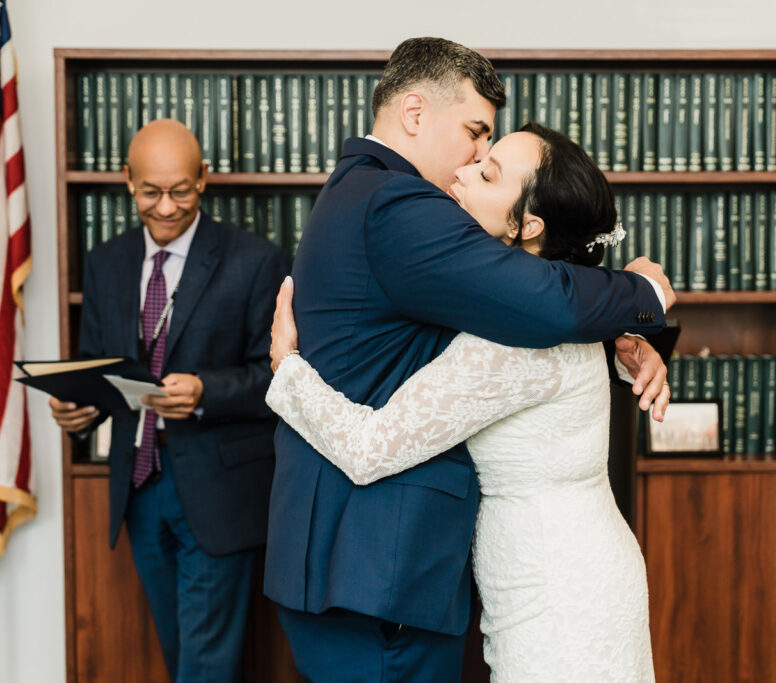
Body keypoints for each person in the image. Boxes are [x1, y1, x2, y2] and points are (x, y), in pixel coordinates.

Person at [266, 37, 673, 682]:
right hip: (386, 570)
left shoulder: (364, 194)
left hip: (540, 581)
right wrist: (643, 294)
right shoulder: (402, 206)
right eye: (476, 135)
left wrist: (632, 338)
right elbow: (548, 304)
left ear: (527, 224)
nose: (475, 157)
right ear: (415, 113)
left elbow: (541, 311)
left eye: (489, 165)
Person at [48, 119, 288, 682]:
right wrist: (80, 409)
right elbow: (101, 370)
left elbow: (281, 378)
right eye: (151, 191)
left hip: (218, 490)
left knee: (205, 667)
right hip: (139, 488)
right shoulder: (106, 262)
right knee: (182, 656)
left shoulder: (254, 260)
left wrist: (206, 391)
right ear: (127, 180)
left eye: (181, 190)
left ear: (203, 179)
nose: (166, 206)